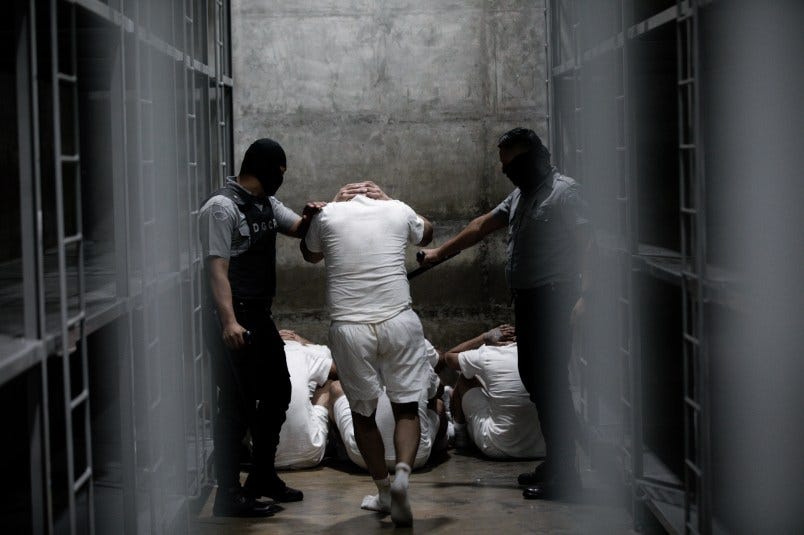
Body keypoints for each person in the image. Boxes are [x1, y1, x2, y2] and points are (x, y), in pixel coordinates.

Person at [419, 127, 595, 500]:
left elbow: (588, 245)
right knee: (537, 382)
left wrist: (587, 296)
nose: (507, 172)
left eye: (512, 164)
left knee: (551, 385)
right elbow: (481, 226)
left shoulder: (564, 193)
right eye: (504, 167)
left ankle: (567, 475)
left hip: (554, 300)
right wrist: (438, 255)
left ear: (533, 157)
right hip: (529, 302)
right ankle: (557, 464)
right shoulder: (520, 195)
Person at [199, 138, 325, 517]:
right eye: (280, 172)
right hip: (232, 316)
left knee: (278, 391)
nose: (281, 179)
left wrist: (311, 216)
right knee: (235, 404)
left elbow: (297, 228)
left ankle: (262, 476)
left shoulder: (266, 203)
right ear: (264, 168)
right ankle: (228, 495)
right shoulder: (221, 208)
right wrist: (229, 321)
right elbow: (217, 269)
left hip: (259, 314)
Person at [302, 185, 434, 526]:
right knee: (407, 409)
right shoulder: (397, 208)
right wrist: (391, 198)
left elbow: (310, 254)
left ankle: (385, 492)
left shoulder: (328, 215)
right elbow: (428, 233)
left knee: (363, 415)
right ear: (375, 196)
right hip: (399, 321)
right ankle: (402, 475)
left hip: (350, 328)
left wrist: (330, 205)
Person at [329, 340, 448, 472]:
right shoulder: (419, 356)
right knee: (437, 404)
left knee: (336, 388)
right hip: (416, 458)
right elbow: (438, 391)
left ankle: (343, 452)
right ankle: (442, 445)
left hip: (362, 457)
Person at [442, 325, 545, 460]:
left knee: (465, 378)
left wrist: (483, 337)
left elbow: (448, 356)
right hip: (542, 448)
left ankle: (460, 436)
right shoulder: (542, 354)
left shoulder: (487, 353)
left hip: (498, 447)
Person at [273, 329, 336, 470]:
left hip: (266, 458)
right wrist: (305, 342)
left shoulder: (255, 355)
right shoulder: (310, 351)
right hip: (311, 454)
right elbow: (341, 371)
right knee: (329, 383)